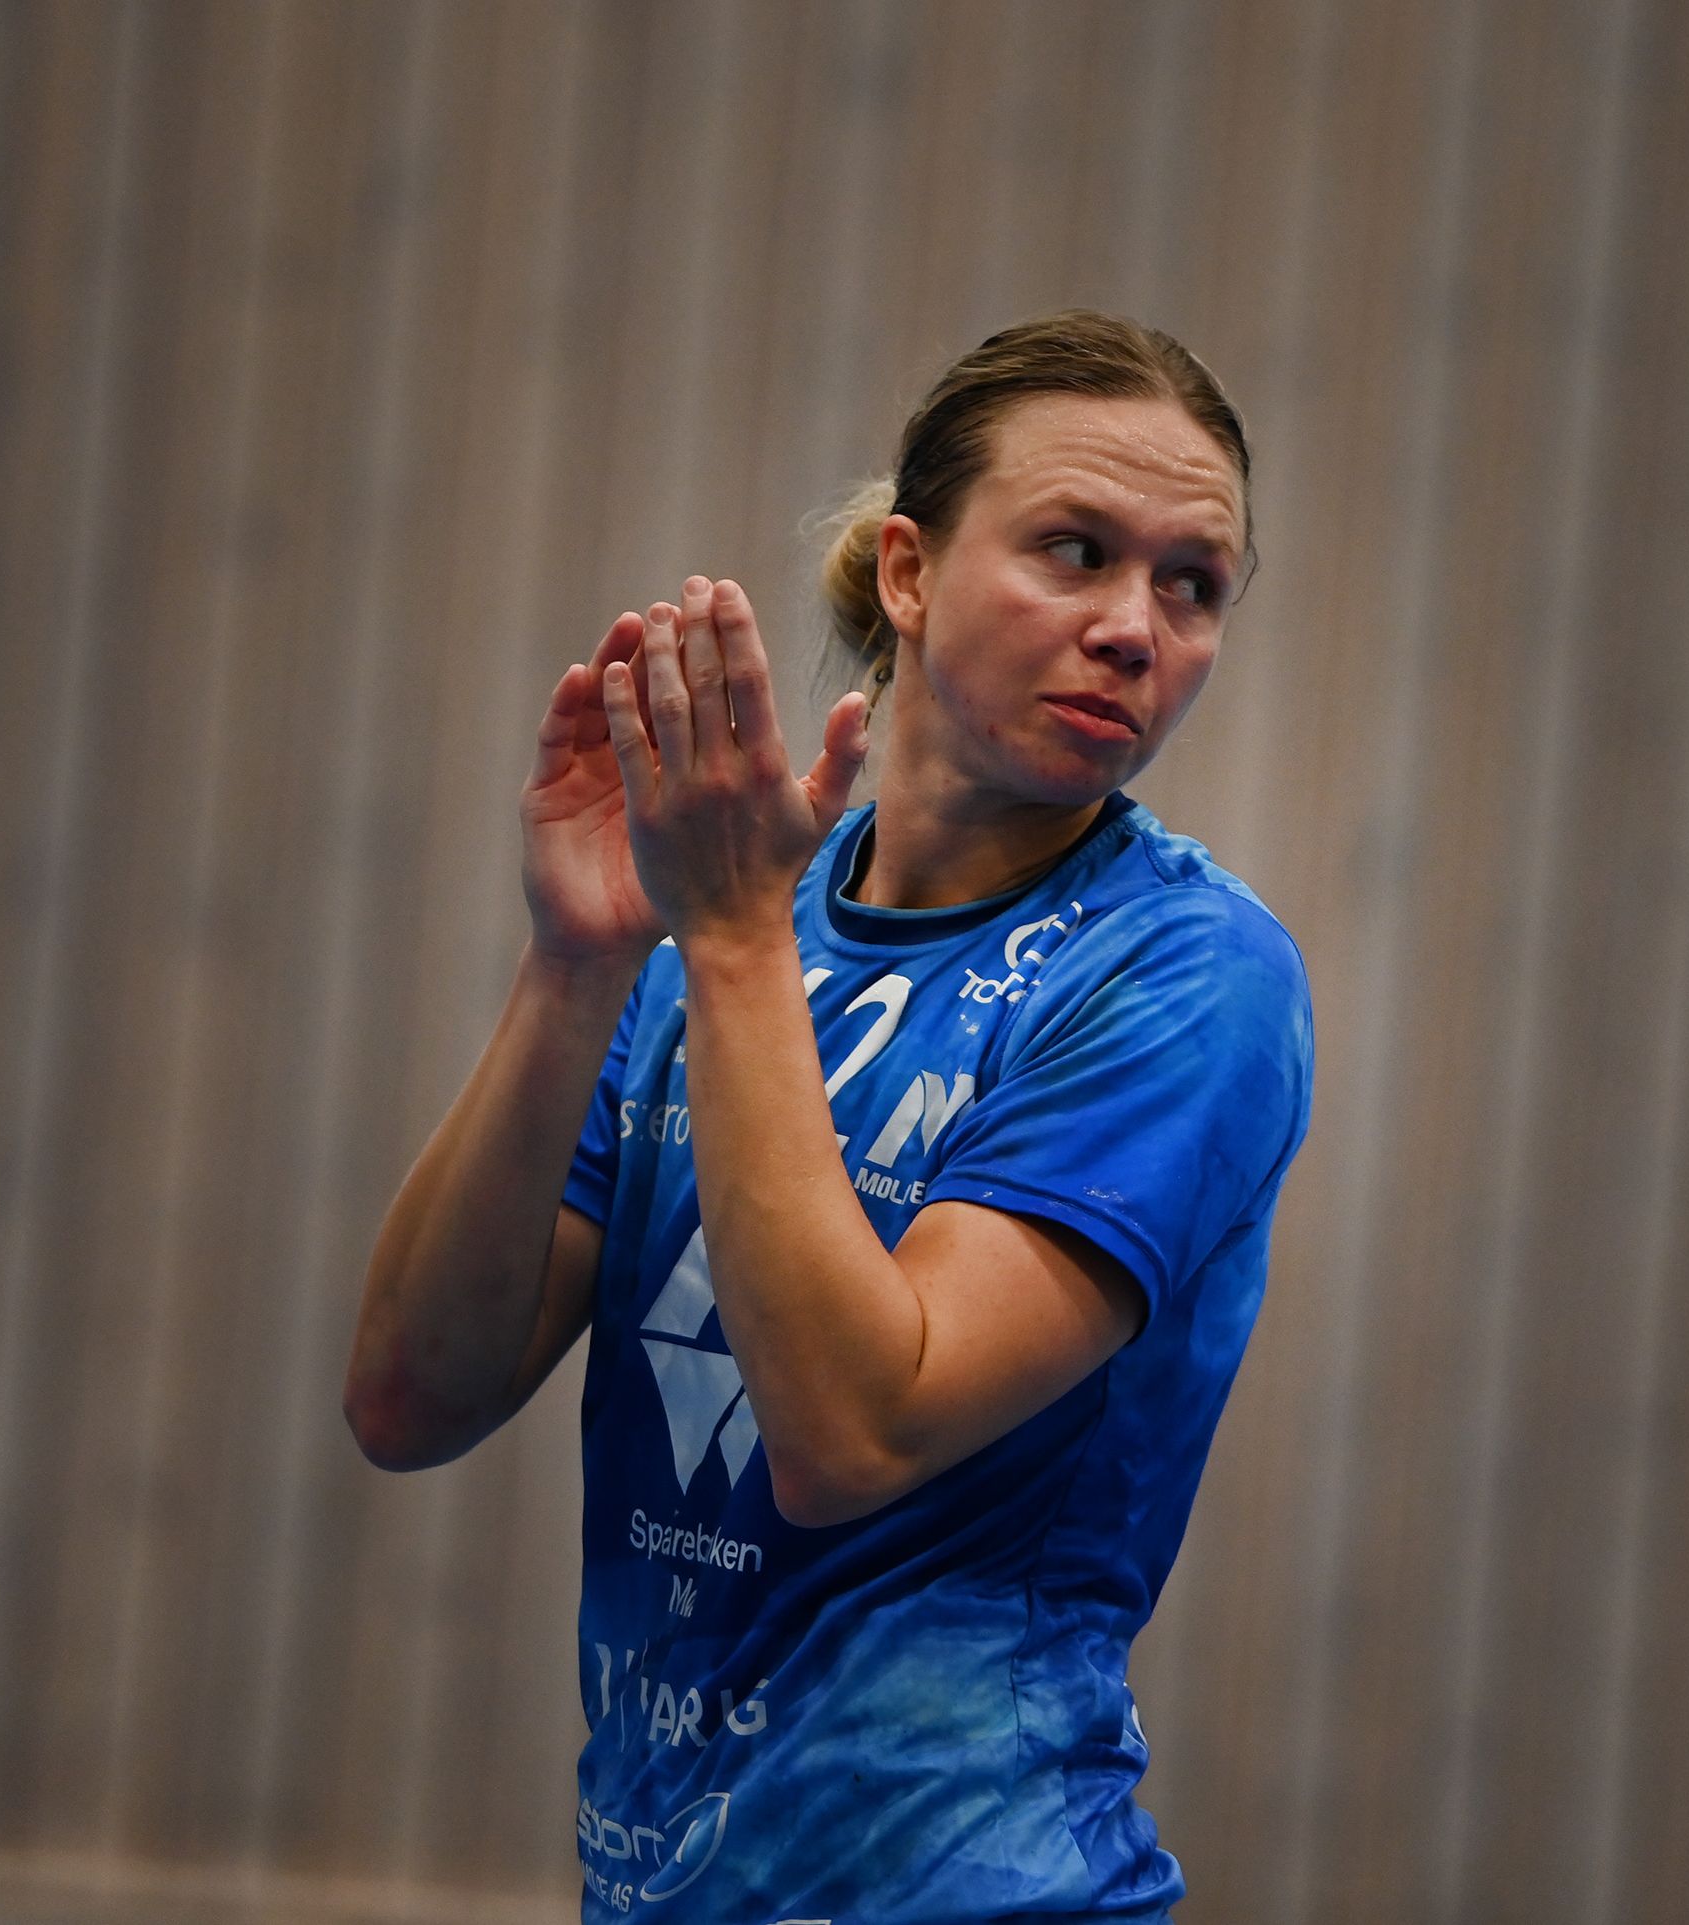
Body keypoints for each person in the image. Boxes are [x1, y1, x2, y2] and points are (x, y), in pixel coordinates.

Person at [342, 311, 1314, 1922]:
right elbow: (407, 1395)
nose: (1134, 629)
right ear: (909, 574)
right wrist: (580, 963)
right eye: (1075, 552)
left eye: (1191, 584)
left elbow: (852, 1435)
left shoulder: (1187, 971)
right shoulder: (724, 929)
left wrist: (727, 938)